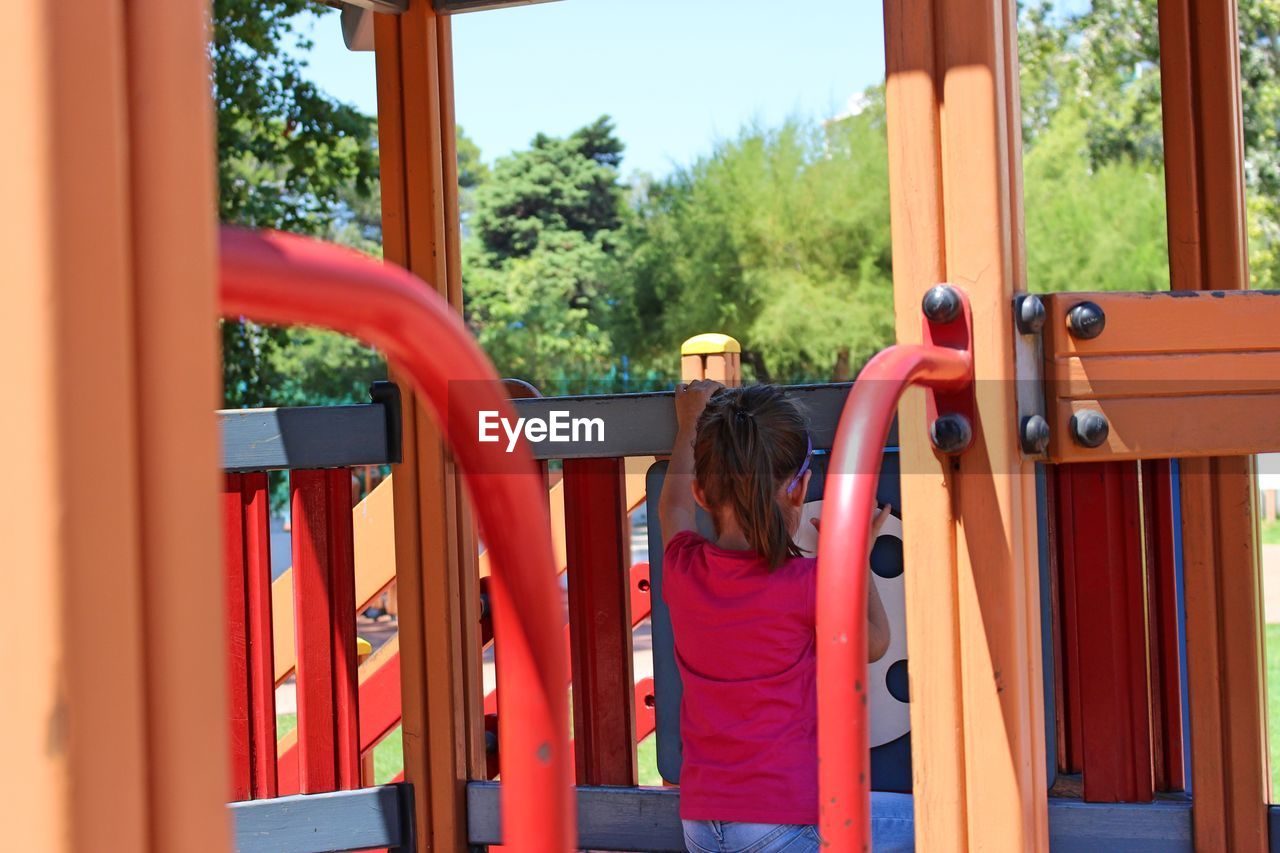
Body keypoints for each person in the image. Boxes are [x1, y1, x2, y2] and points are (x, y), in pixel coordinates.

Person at [659, 380, 891, 853]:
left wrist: (687, 425)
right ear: (801, 486)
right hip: (785, 821)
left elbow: (672, 506)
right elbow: (875, 643)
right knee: (944, 821)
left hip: (702, 824)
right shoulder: (809, 583)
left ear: (705, 492)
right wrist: (850, 557)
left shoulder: (683, 568)